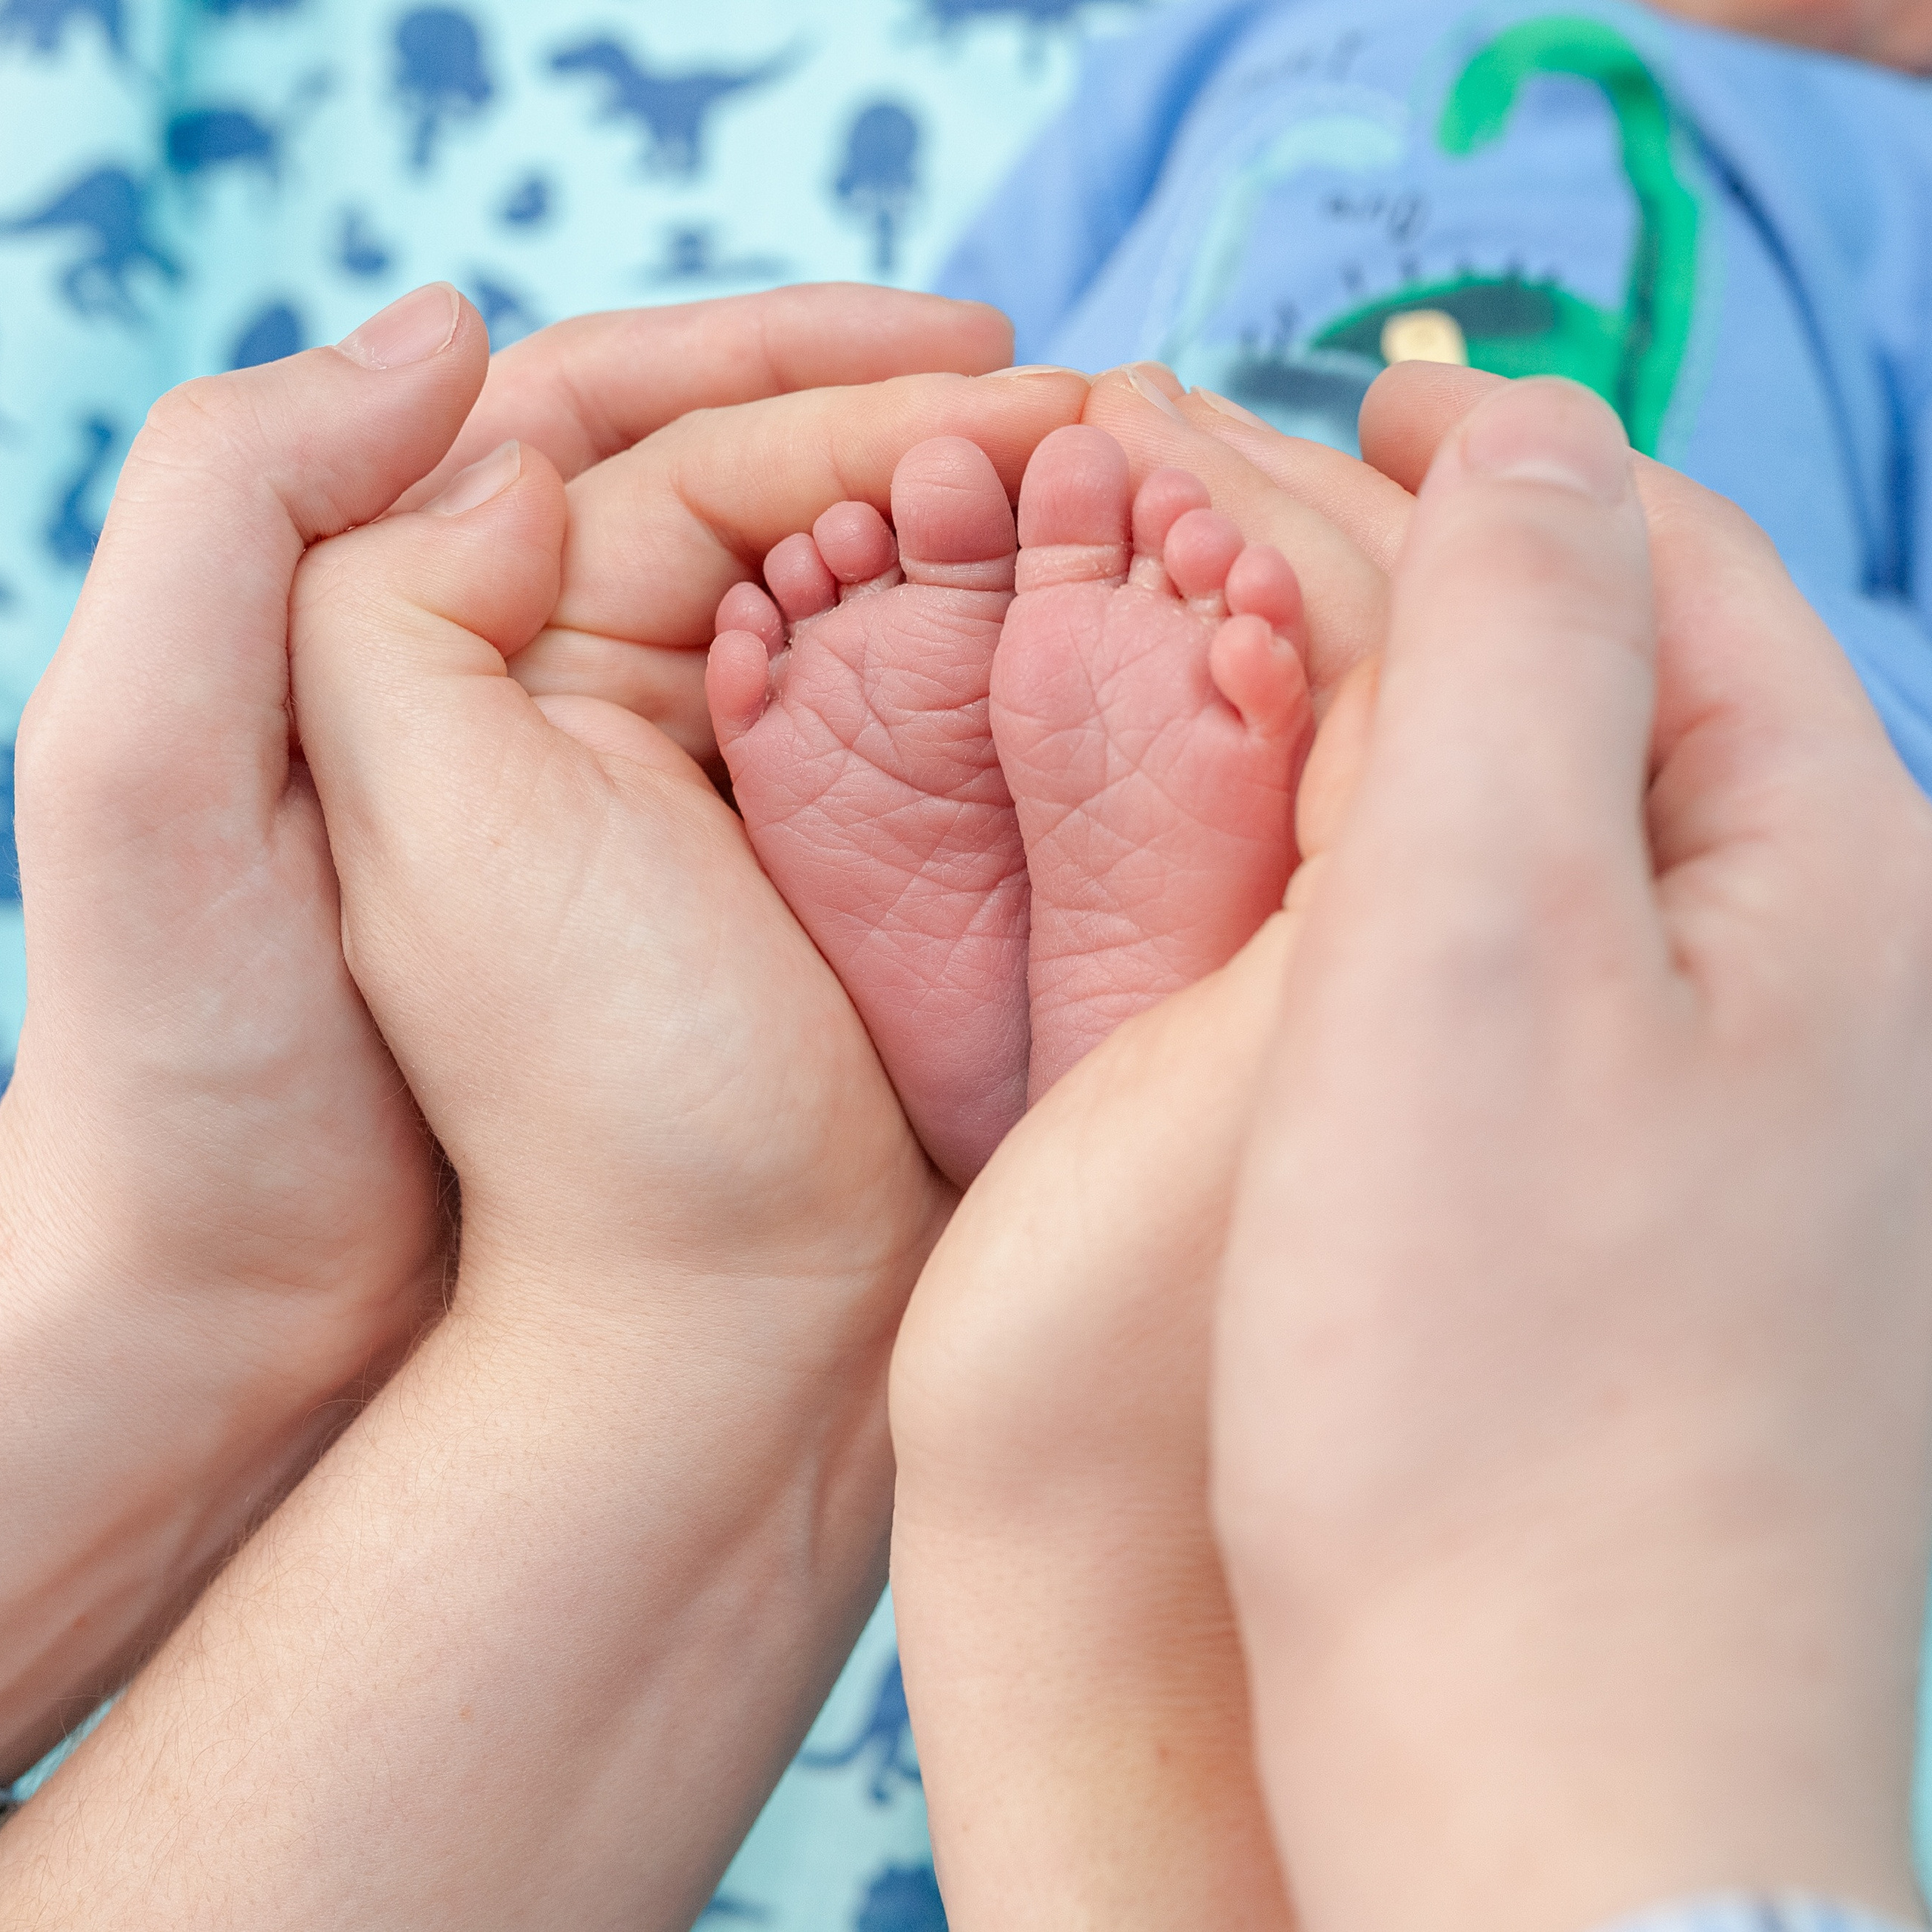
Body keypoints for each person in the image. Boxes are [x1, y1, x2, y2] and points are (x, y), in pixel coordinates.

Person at [940, 0, 1932, 795]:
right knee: (957, 518)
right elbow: (967, 327)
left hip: (1625, 656)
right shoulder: (1229, 26)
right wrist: (908, 454)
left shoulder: (1888, 145)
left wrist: (1774, 705)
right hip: (1115, 514)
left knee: (1797, 750)